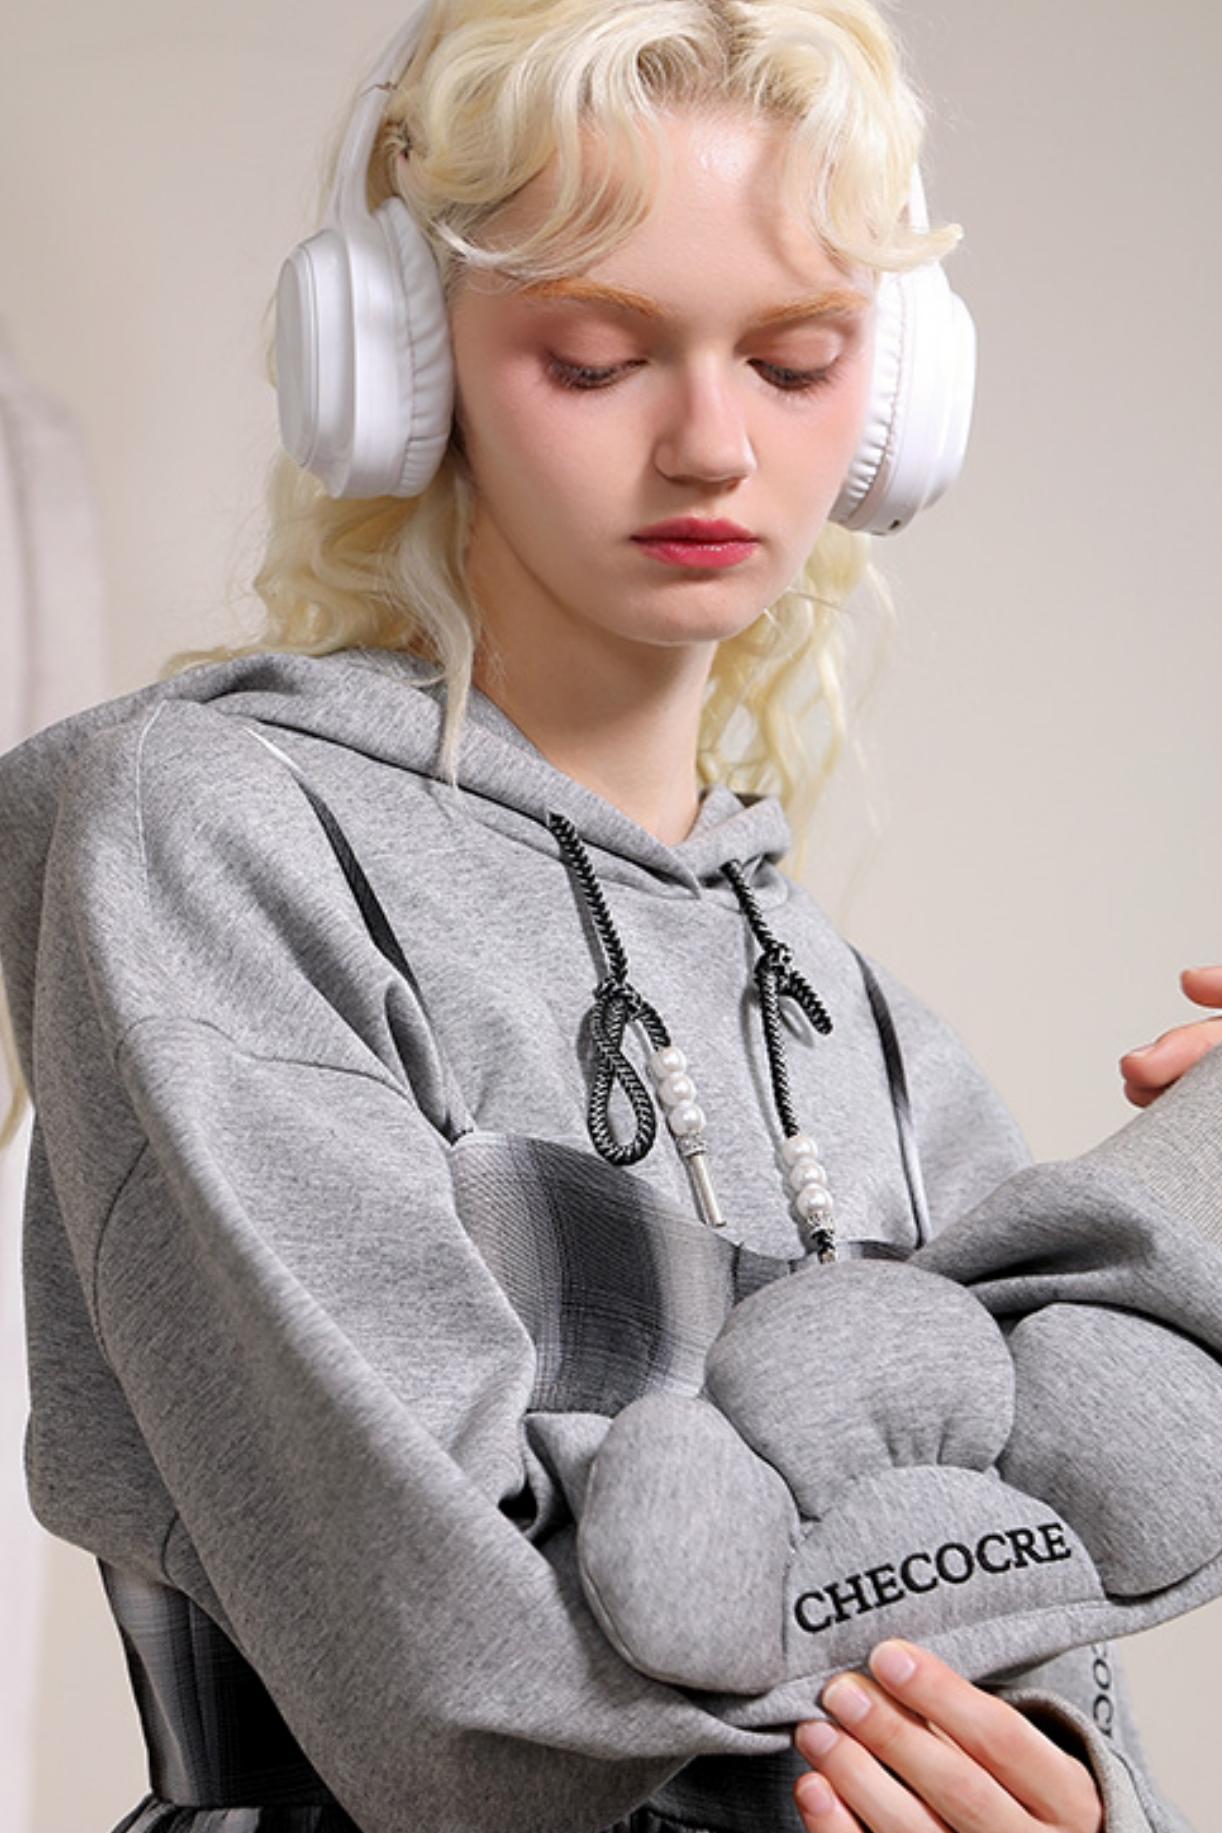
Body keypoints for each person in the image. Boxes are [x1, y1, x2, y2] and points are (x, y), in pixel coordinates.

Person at [0, 2, 1219, 1830]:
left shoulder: (877, 1035)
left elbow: (1062, 1604)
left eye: (800, 359)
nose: (711, 445)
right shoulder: (212, 838)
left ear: (893, 401)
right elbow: (457, 1684)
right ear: (403, 362)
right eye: (591, 357)